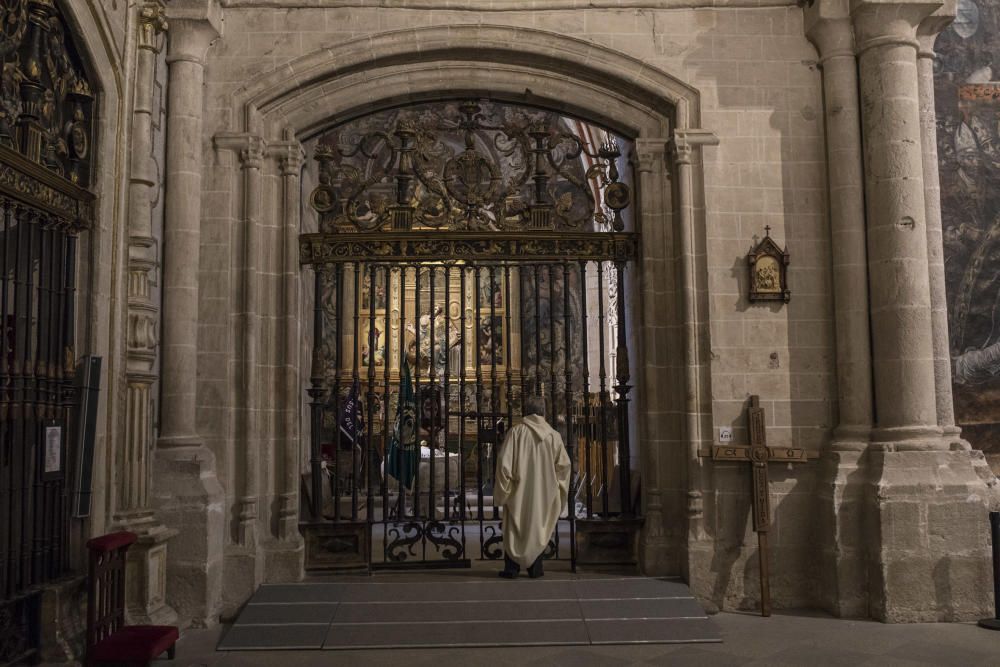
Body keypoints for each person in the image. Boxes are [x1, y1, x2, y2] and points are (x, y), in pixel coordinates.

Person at [494, 395, 571, 579]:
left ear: (526, 410)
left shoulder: (516, 433)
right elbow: (564, 466)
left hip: (517, 492)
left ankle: (511, 568)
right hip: (544, 492)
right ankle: (535, 568)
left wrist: (503, 491)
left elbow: (504, 464)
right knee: (538, 527)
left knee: (515, 527)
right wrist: (557, 487)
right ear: (543, 411)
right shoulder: (553, 436)